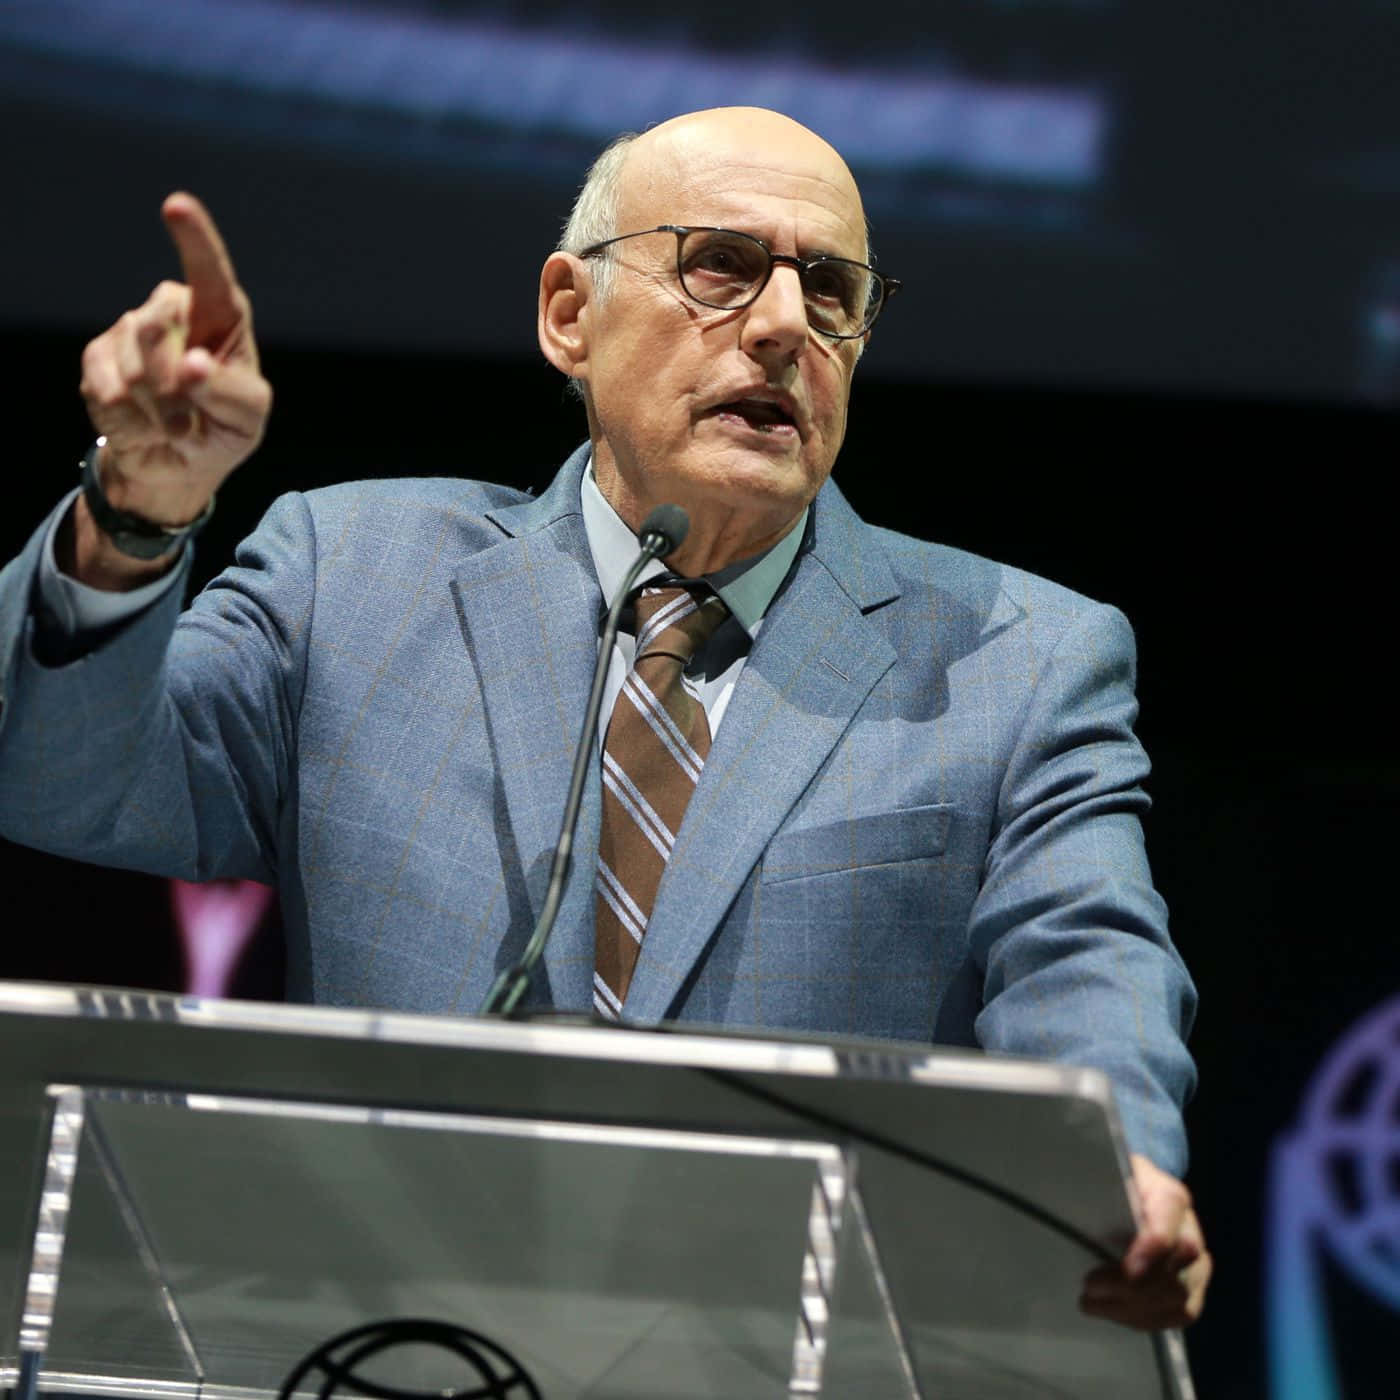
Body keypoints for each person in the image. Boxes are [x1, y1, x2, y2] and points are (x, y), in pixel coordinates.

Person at [0, 107, 1209, 1329]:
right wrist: (135, 514)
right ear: (568, 316)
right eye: (720, 266)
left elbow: (1087, 955)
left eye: (830, 289)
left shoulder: (1021, 656)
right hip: (390, 1342)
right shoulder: (348, 573)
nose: (785, 325)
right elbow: (66, 779)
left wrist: (1121, 1160)